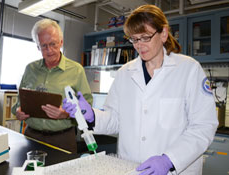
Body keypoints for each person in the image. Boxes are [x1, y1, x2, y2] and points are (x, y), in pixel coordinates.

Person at [63, 4, 218, 175]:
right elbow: (115, 119)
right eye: (134, 39)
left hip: (175, 171)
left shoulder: (189, 69)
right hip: (130, 168)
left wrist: (170, 159)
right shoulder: (124, 73)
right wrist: (92, 116)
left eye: (145, 37)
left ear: (164, 34)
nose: (139, 45)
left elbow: (204, 126)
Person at [12, 18, 93, 154]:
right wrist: (18, 112)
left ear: (61, 42)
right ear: (38, 46)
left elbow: (87, 108)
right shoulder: (30, 69)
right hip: (32, 137)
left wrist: (66, 114)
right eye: (44, 46)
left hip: (62, 139)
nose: (49, 50)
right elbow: (19, 104)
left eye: (53, 44)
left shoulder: (76, 70)